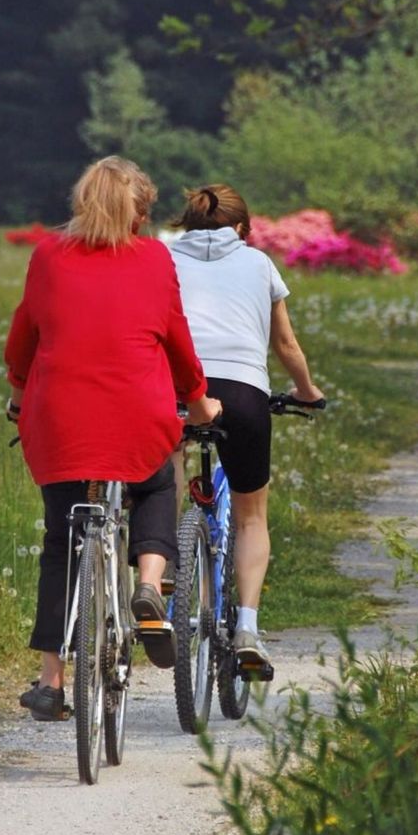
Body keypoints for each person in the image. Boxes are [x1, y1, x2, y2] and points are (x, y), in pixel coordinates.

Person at [4, 157, 221, 720]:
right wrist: (200, 403)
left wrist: (21, 393)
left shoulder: (47, 255)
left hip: (58, 419)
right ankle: (149, 586)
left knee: (61, 542)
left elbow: (25, 335)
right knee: (153, 486)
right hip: (137, 414)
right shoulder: (154, 257)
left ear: (81, 204)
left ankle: (51, 680)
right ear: (141, 211)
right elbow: (176, 340)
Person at [169, 184, 324, 668]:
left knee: (168, 461)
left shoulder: (164, 258)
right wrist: (307, 391)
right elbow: (285, 345)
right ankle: (248, 630)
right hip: (243, 391)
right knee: (252, 514)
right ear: (242, 228)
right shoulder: (259, 264)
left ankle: (169, 552)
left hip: (177, 386)